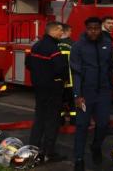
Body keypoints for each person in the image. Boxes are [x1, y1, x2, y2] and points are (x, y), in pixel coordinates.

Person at [70, 17, 113, 171]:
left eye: (96, 28)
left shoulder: (107, 44)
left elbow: (110, 68)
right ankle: (79, 159)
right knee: (81, 126)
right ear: (86, 28)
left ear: (100, 28)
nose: (93, 31)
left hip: (103, 92)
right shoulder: (78, 46)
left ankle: (96, 147)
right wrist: (77, 95)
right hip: (85, 93)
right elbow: (75, 73)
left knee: (103, 125)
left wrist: (111, 88)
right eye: (90, 28)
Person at [27, 22, 67, 163]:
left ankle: (32, 148)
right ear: (54, 31)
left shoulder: (36, 46)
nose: (62, 33)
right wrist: (61, 80)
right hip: (52, 89)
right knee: (52, 121)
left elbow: (28, 64)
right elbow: (61, 68)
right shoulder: (53, 48)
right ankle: (49, 152)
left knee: (39, 118)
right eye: (60, 31)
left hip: (39, 87)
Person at [58, 23, 76, 125]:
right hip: (71, 80)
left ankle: (60, 121)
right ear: (67, 31)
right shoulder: (73, 44)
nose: (71, 33)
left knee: (60, 101)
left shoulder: (55, 44)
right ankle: (74, 121)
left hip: (59, 80)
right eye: (70, 31)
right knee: (72, 102)